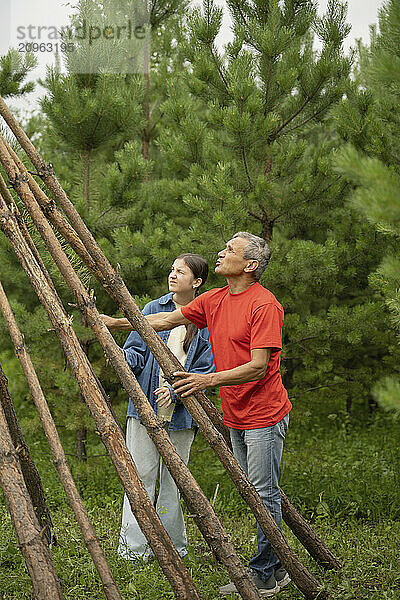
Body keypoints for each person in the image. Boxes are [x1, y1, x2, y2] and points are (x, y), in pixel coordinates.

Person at [104, 232, 292, 597]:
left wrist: (206, 380)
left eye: (229, 251)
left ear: (249, 266)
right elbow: (162, 321)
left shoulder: (264, 305)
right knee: (253, 490)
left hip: (264, 413)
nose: (220, 253)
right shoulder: (216, 298)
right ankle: (278, 564)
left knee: (263, 492)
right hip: (235, 411)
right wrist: (111, 323)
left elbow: (257, 367)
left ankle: (266, 573)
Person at [117, 253, 214, 562]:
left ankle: (174, 549)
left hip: (183, 413)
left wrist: (174, 390)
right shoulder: (151, 310)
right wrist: (120, 357)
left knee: (174, 481)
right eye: (172, 270)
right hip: (144, 407)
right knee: (140, 477)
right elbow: (135, 351)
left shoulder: (207, 316)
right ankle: (134, 551)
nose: (173, 275)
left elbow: (206, 367)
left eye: (180, 272)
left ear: (196, 282)